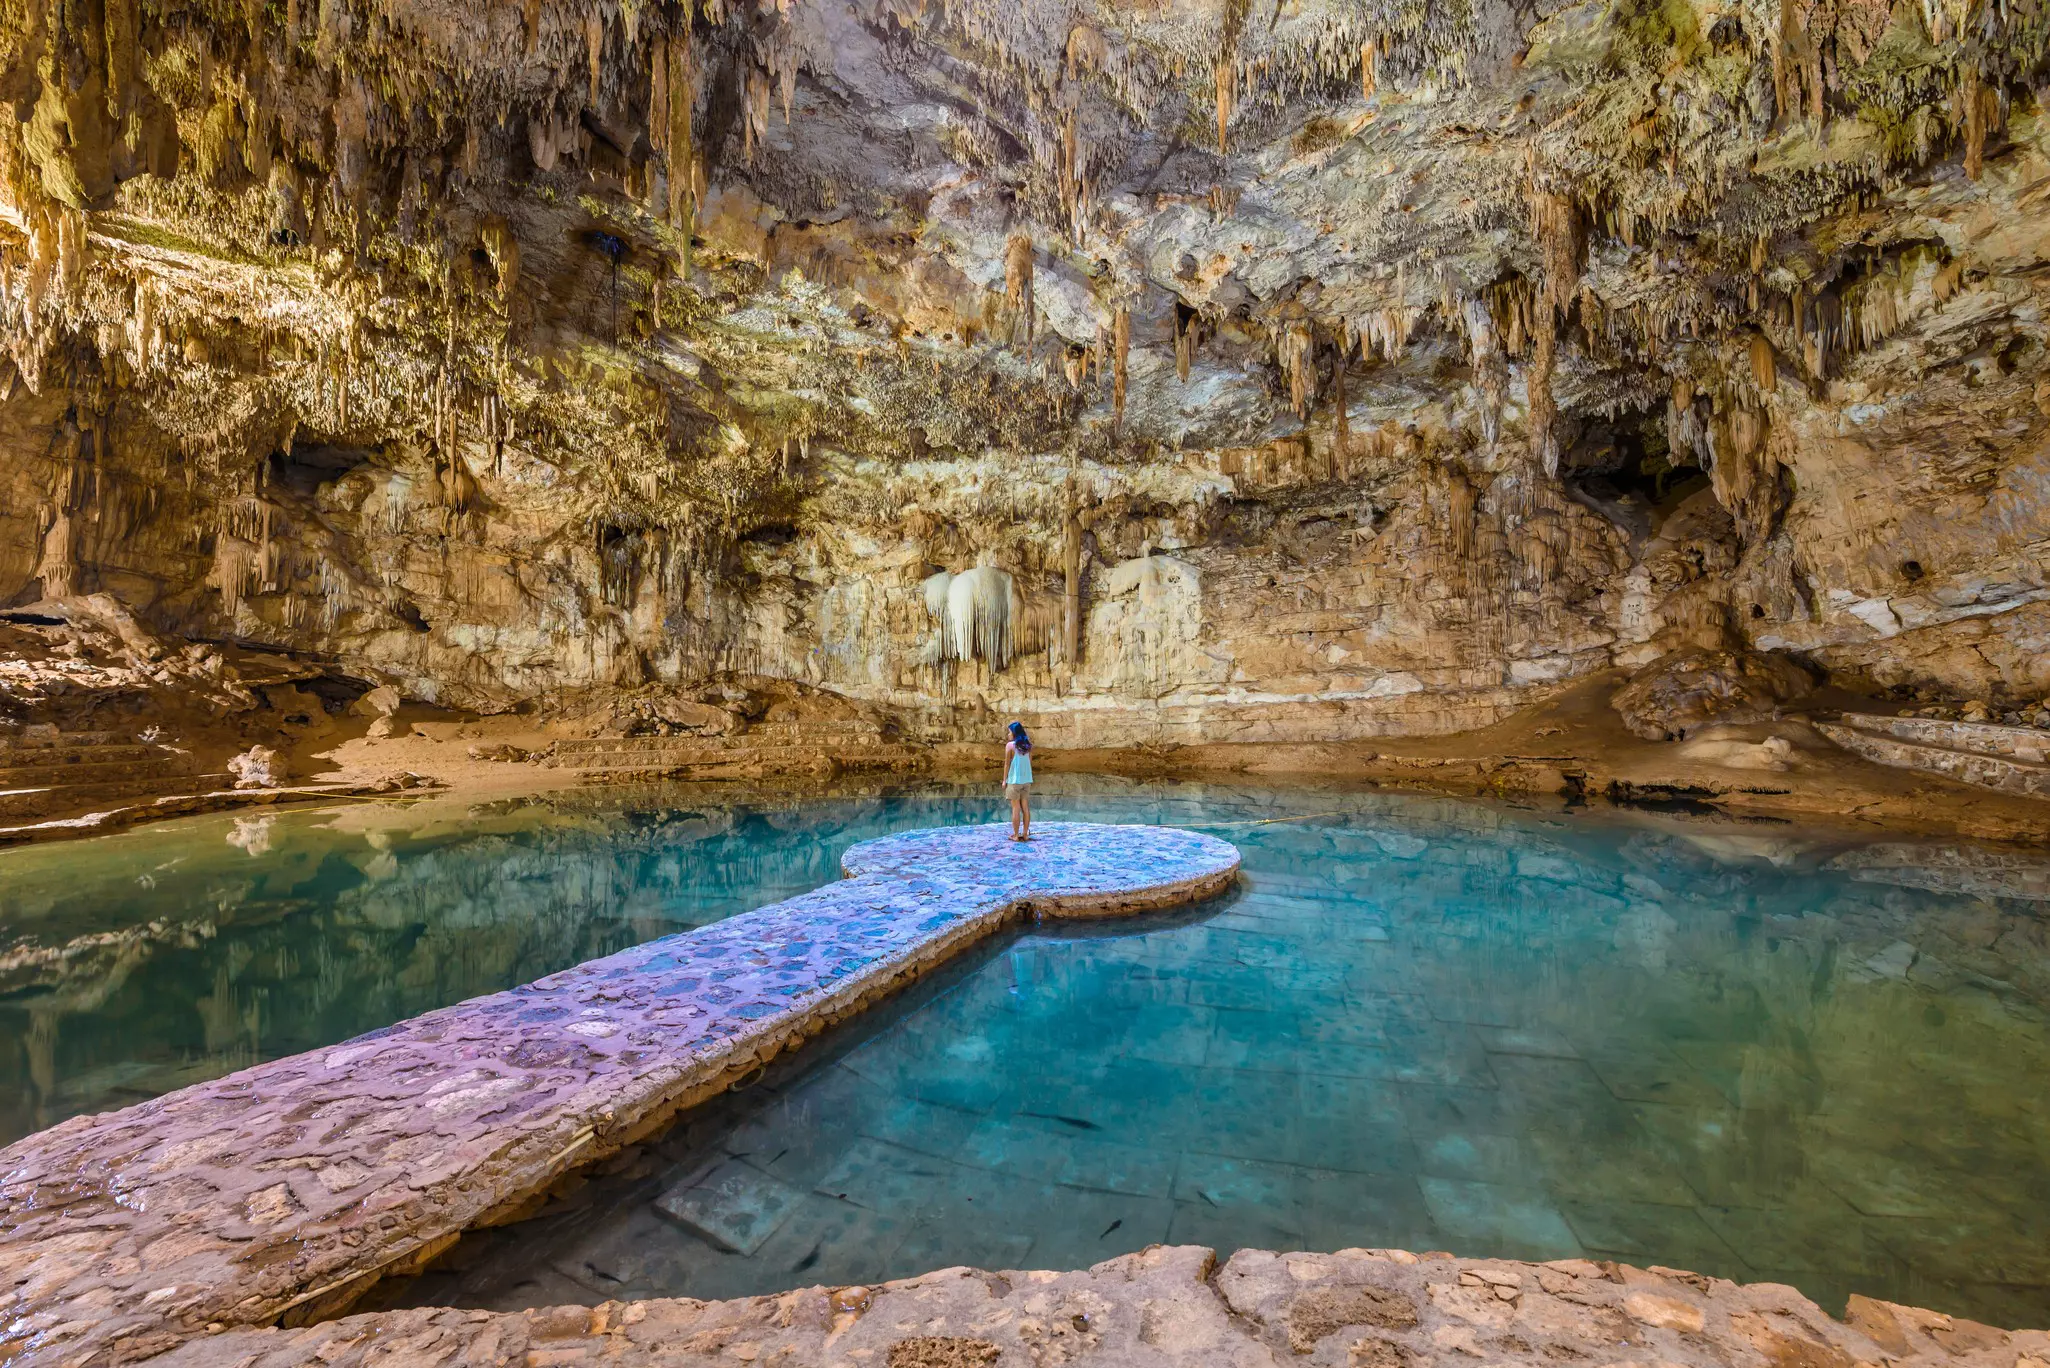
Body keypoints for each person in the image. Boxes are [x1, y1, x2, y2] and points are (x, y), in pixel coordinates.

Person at [1003, 720, 1034, 841]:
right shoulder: (1028, 746)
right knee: (1025, 808)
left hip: (1014, 781)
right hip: (1026, 781)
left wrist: (1004, 780)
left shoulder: (1010, 745)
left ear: (1014, 733)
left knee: (1015, 808)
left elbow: (1006, 764)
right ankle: (1025, 834)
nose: (1008, 734)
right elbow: (1029, 762)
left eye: (1009, 732)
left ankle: (1016, 835)